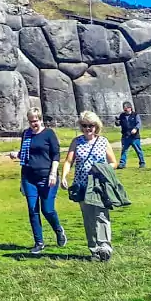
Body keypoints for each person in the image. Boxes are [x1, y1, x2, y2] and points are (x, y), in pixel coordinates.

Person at [63, 111, 127, 261]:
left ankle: (104, 247)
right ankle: (94, 249)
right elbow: (68, 161)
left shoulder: (103, 142)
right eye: (84, 125)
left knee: (101, 215)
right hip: (82, 185)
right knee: (89, 218)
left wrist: (102, 168)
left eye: (90, 125)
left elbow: (114, 163)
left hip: (99, 185)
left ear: (96, 126)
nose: (87, 128)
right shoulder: (76, 142)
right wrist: (64, 176)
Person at [13, 107, 65, 254]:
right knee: (32, 209)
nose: (33, 124)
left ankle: (58, 230)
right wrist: (16, 155)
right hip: (29, 177)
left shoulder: (49, 134)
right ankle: (39, 242)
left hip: (47, 177)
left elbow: (55, 155)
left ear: (40, 119)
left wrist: (53, 174)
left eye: (35, 121)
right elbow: (26, 153)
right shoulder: (26, 134)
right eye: (30, 121)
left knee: (47, 209)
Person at [115, 102, 145, 169]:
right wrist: (117, 122)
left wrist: (135, 129)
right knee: (124, 150)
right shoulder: (122, 115)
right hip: (125, 136)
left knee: (138, 150)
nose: (125, 110)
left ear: (130, 108)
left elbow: (139, 123)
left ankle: (142, 163)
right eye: (124, 109)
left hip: (134, 137)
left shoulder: (135, 115)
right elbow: (119, 124)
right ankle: (122, 163)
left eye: (126, 108)